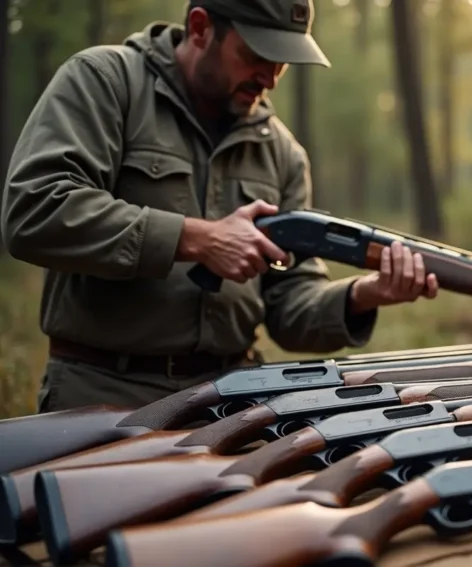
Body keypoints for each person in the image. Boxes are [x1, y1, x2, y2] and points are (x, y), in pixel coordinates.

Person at [0, 0, 440, 414]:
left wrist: (365, 294)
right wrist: (197, 239)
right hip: (102, 394)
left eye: (282, 63)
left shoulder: (283, 153)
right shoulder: (106, 82)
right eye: (256, 55)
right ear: (199, 28)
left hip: (232, 403)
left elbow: (289, 307)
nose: (269, 78)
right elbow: (35, 208)